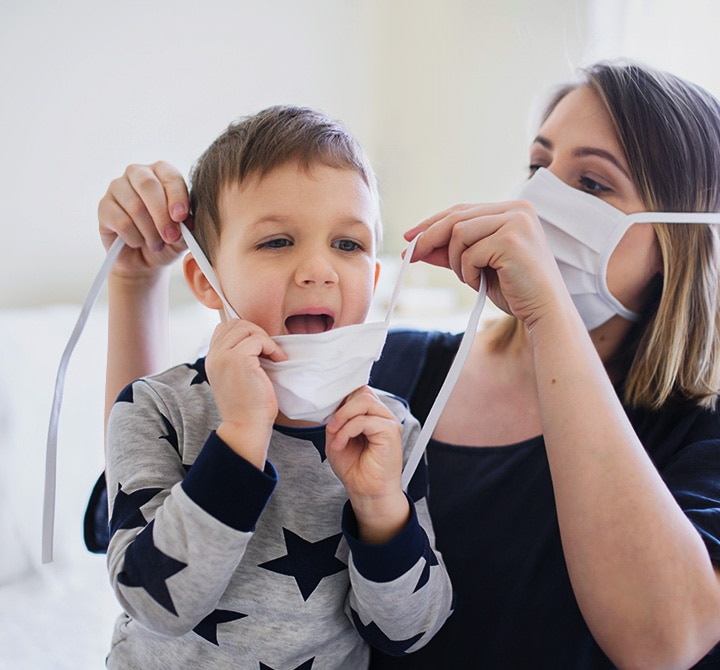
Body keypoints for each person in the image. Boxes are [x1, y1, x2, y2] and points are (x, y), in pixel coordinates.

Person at [92, 61, 720, 669]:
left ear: (684, 236)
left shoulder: (696, 436)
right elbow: (133, 528)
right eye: (537, 165)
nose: (536, 201)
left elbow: (663, 642)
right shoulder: (370, 367)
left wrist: (547, 314)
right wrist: (135, 280)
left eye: (591, 183)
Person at [100, 105, 453, 669]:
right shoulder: (156, 408)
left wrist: (381, 507)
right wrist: (241, 434)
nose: (319, 269)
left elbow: (408, 632)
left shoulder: (389, 431)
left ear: (376, 276)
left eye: (348, 245)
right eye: (276, 242)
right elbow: (152, 601)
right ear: (206, 280)